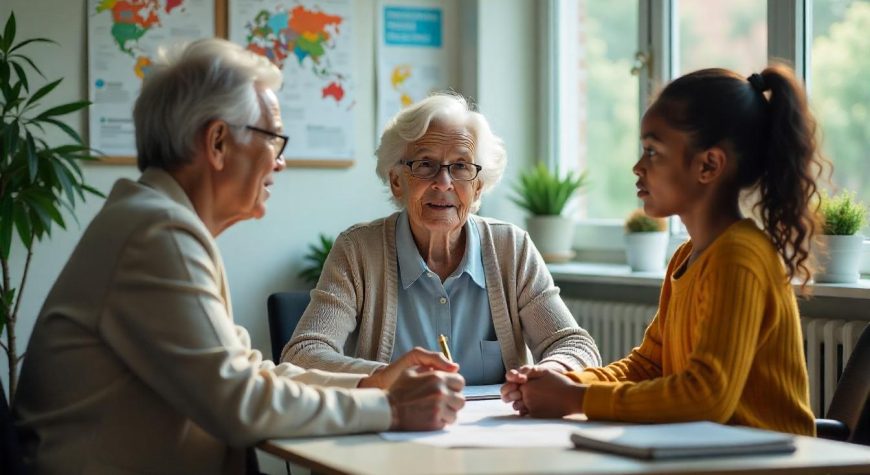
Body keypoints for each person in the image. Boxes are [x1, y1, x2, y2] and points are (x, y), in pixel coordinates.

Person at [13, 38, 464, 475]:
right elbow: (240, 402)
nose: (281, 162)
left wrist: (373, 382)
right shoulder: (157, 233)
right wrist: (391, 406)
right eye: (273, 139)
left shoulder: (155, 220)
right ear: (217, 143)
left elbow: (249, 374)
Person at [502, 65, 821, 436]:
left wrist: (576, 398)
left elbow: (706, 397)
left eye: (653, 151)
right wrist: (564, 381)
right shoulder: (687, 257)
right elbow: (647, 366)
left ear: (708, 165)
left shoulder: (740, 258)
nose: (638, 167)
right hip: (710, 453)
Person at [283, 93, 601, 388]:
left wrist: (552, 370)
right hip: (392, 436)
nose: (443, 183)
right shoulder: (358, 251)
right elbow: (302, 354)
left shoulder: (511, 248)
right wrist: (384, 377)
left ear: (478, 187)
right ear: (396, 181)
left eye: (461, 167)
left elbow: (574, 344)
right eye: (425, 165)